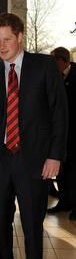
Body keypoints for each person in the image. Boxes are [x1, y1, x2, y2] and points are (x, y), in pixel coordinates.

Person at [0, 13, 68, 259]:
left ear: (20, 37)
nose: (2, 45)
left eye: (7, 39)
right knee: (0, 224)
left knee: (33, 225)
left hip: (35, 163)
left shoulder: (44, 67)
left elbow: (60, 114)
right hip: (2, 162)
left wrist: (55, 156)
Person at [48, 47, 76, 220]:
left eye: (53, 61)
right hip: (61, 133)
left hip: (75, 133)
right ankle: (64, 201)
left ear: (62, 60)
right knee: (63, 170)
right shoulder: (54, 78)